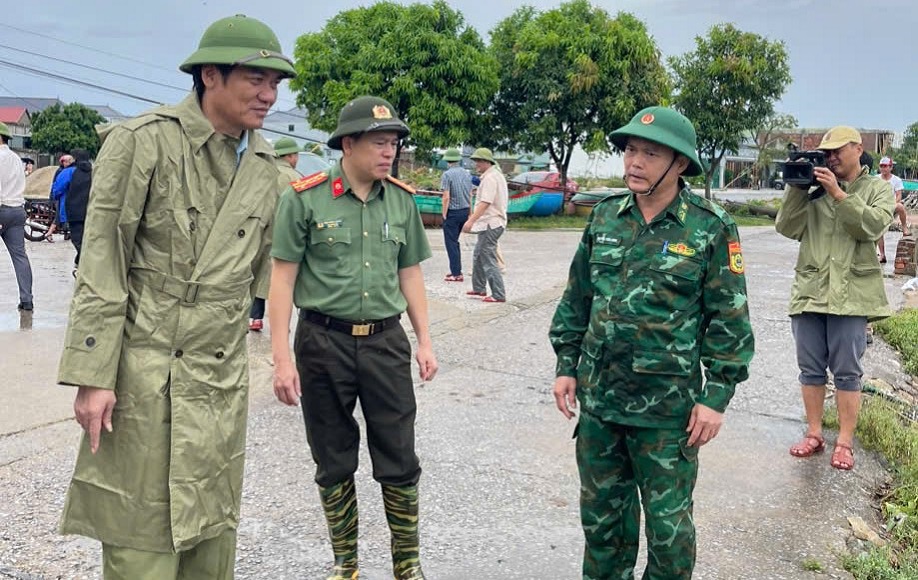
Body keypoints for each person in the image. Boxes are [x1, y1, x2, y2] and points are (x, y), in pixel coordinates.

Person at [56, 15, 295, 580]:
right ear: (209, 74)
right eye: (256, 79)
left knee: (209, 539)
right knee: (140, 540)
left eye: (276, 82)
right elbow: (102, 263)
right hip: (144, 366)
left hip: (218, 373)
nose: (269, 94)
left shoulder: (271, 172)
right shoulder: (143, 142)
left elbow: (283, 276)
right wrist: (94, 374)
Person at [549, 106, 754, 579]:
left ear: (679, 163)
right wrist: (566, 363)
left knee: (669, 536)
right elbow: (577, 298)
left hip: (667, 415)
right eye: (630, 151)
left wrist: (715, 397)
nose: (634, 162)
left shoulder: (710, 226)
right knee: (603, 529)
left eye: (650, 152)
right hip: (600, 406)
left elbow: (730, 319)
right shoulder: (604, 217)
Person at [269, 95, 438, 580]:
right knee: (332, 454)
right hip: (322, 342)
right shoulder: (304, 198)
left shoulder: (402, 201)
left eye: (393, 144)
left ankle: (407, 564)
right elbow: (281, 279)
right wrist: (282, 359)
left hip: (386, 342)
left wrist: (424, 339)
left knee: (399, 454)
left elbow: (410, 275)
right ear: (348, 143)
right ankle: (347, 564)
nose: (389, 153)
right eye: (379, 143)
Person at [776, 126, 893, 471]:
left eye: (837, 151)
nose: (830, 158)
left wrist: (839, 195)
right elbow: (787, 227)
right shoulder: (812, 191)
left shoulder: (877, 189)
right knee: (810, 370)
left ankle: (844, 442)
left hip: (852, 296)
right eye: (826, 153)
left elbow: (871, 227)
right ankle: (814, 434)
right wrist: (799, 189)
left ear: (858, 149)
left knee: (847, 372)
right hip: (811, 291)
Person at [248, 137, 303, 332]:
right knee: (286, 279)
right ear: (289, 156)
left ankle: (255, 318)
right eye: (295, 154)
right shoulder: (295, 177)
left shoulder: (263, 172)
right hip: (286, 233)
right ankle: (284, 323)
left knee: (259, 274)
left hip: (261, 230)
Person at [462, 147, 508, 302]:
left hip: (491, 223)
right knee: (479, 254)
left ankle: (498, 294)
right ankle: (479, 288)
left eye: (478, 162)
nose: (476, 165)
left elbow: (485, 203)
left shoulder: (489, 179)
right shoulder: (495, 176)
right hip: (491, 223)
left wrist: (470, 220)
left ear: (486, 162)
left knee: (487, 257)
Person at [0, 121, 34, 312]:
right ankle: (27, 300)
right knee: (20, 257)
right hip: (17, 211)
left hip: (2, 210)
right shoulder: (16, 159)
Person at [51, 149, 93, 276]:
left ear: (74, 159)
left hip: (73, 212)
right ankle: (81, 264)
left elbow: (56, 191)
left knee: (78, 241)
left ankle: (85, 268)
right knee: (88, 241)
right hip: (92, 212)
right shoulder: (94, 172)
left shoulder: (68, 172)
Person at [440, 147, 472, 282]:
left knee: (451, 243)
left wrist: (444, 213)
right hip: (465, 210)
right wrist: (470, 211)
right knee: (455, 241)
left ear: (448, 161)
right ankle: (456, 269)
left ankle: (456, 273)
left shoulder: (447, 175)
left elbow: (446, 196)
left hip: (453, 212)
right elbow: (470, 194)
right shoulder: (466, 173)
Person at [876, 156, 910, 263]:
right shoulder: (875, 179)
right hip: (879, 206)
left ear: (891, 167)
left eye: (885, 166)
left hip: (892, 205)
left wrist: (893, 204)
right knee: (879, 229)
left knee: (900, 206)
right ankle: (882, 255)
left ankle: (904, 228)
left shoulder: (896, 180)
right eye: (881, 166)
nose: (883, 168)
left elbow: (899, 195)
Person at [45, 154, 74, 242]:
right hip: (59, 197)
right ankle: (49, 233)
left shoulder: (65, 170)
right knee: (59, 216)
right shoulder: (62, 171)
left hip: (63, 196)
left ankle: (66, 234)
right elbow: (58, 186)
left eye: (68, 161)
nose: (66, 163)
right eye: (65, 161)